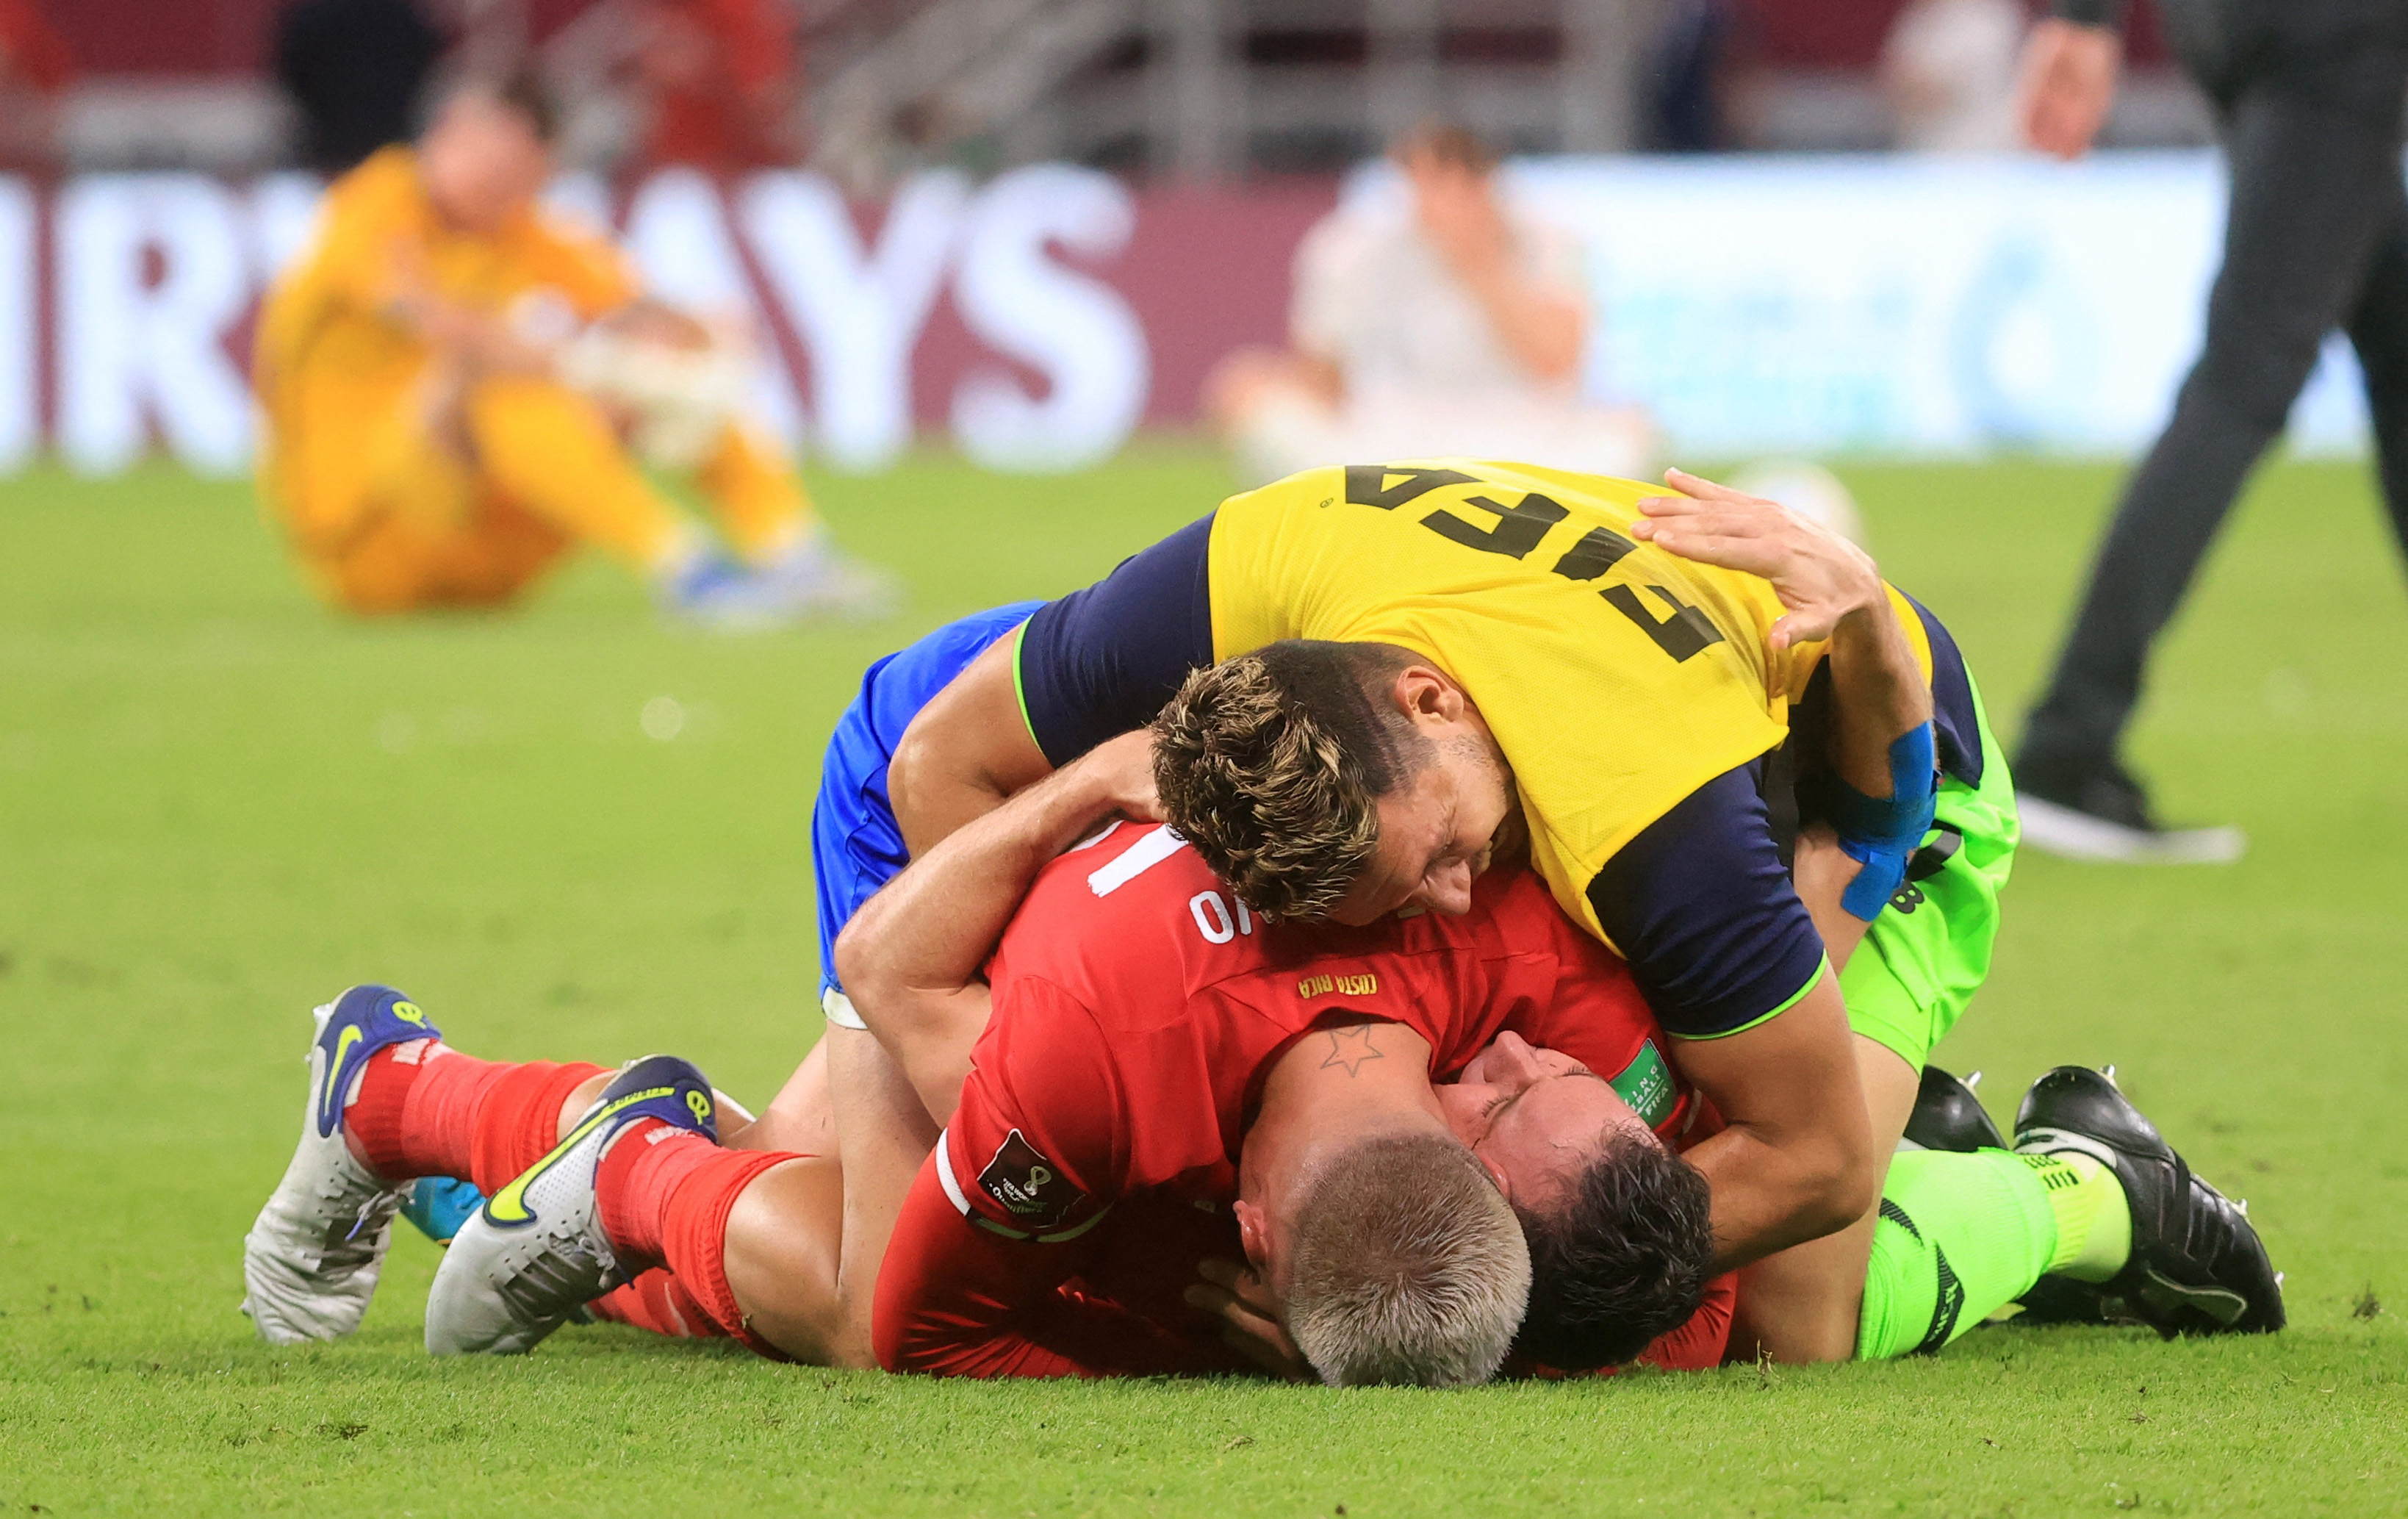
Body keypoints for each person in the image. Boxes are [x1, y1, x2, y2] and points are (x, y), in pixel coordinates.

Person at [254, 68, 889, 627]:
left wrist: (700, 336)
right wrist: (596, 366)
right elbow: (439, 327)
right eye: (489, 163)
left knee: (662, 370)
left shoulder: (519, 229)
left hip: (488, 559)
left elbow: (636, 308)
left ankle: (791, 553)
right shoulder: (377, 208)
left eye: (520, 177)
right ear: (444, 137)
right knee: (496, 382)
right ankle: (689, 570)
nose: (502, 191)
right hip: (373, 543)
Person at [2010, 0, 2408, 862]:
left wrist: (2085, 17)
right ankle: (2066, 743)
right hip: (2338, 36)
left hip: (2239, 27)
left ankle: (2069, 740)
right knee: (2247, 373)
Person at [1206, 123, 1653, 490]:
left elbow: (1557, 363)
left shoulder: (1550, 241)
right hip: (1385, 452)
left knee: (1628, 432)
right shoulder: (1351, 248)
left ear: (1488, 180)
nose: (1441, 197)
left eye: (1460, 177)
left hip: (1529, 447)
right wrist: (1269, 384)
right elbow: (1327, 382)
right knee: (1256, 402)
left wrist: (1476, 263)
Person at [272, 0, 447, 176]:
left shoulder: (309, 16)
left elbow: (292, 76)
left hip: (329, 152)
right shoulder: (406, 16)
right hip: (396, 151)